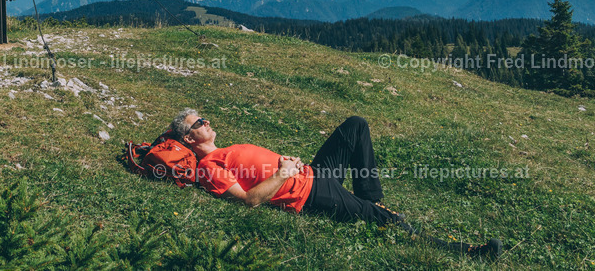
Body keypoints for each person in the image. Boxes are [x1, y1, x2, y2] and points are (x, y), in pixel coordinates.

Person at [170, 109, 502, 260]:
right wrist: (283, 173)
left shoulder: (225, 150)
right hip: (309, 194)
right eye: (199, 122)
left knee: (356, 125)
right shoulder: (210, 167)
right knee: (388, 222)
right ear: (189, 138)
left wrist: (288, 165)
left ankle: (372, 200)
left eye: (204, 118)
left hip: (313, 174)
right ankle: (469, 253)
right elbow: (248, 201)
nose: (207, 121)